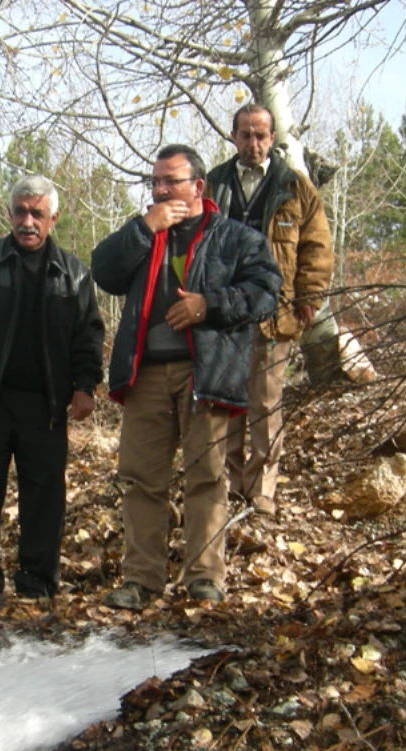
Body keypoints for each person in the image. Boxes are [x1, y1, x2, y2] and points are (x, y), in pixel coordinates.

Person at [91, 145, 280, 608]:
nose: (159, 190)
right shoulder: (145, 234)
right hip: (145, 375)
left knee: (207, 477)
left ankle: (203, 577)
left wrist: (208, 305)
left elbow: (266, 292)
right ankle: (141, 580)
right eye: (154, 182)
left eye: (169, 181)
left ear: (198, 187)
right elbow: (103, 270)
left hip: (207, 371)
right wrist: (143, 228)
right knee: (139, 481)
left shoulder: (235, 238)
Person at [0, 175, 104, 607]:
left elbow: (89, 336)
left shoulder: (74, 274)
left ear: (53, 218)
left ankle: (37, 585)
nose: (28, 221)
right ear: (10, 214)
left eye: (37, 214)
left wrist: (86, 385)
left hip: (46, 405)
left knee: (45, 497)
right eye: (21, 212)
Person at [207, 104, 333, 517]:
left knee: (265, 402)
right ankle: (229, 485)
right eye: (245, 134)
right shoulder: (214, 184)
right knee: (228, 401)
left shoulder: (293, 186)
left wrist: (308, 297)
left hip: (273, 312)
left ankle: (262, 491)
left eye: (261, 135)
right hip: (224, 312)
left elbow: (316, 245)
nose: (253, 143)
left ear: (272, 137)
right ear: (233, 137)